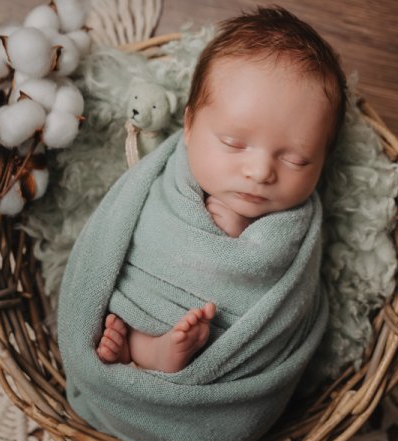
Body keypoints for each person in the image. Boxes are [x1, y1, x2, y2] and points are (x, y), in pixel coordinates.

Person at [95, 5, 347, 373]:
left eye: (296, 160)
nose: (260, 172)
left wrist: (240, 244)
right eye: (233, 142)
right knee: (120, 311)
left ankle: (161, 355)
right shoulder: (166, 179)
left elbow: (291, 308)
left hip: (233, 361)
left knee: (209, 331)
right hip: (144, 304)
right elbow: (121, 238)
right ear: (190, 125)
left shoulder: (295, 225)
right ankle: (144, 347)